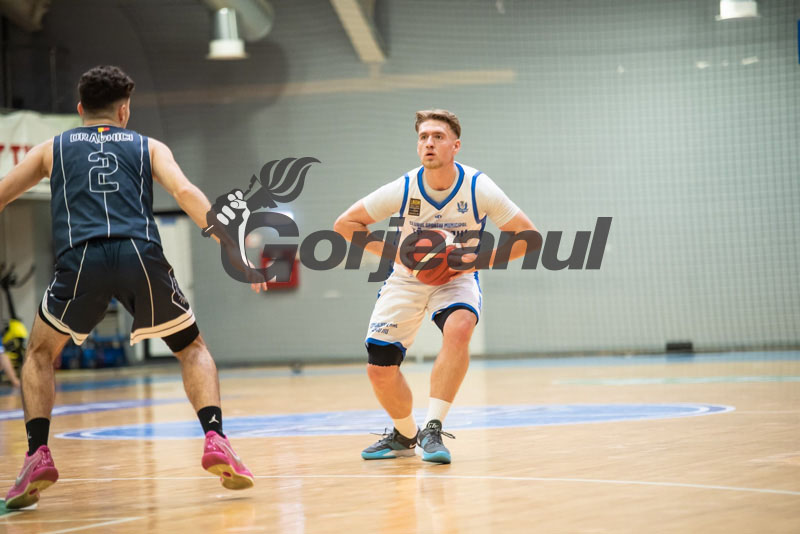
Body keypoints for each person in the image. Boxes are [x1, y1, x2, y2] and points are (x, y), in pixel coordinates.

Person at [0, 65, 265, 509]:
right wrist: (230, 245)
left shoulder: (51, 149)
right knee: (191, 348)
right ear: (124, 110)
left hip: (80, 258)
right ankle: (216, 438)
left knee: (40, 354)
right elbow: (185, 192)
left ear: (80, 109)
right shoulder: (148, 146)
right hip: (139, 254)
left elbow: (3, 194)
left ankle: (37, 453)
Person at [334, 109, 539, 464]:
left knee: (460, 327)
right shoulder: (405, 187)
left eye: (438, 137)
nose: (429, 143)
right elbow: (345, 224)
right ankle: (404, 434)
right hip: (406, 278)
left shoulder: (478, 187)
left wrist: (473, 262)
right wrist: (401, 255)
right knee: (379, 370)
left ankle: (432, 427)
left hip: (457, 277)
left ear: (455, 146)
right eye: (423, 137)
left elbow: (529, 237)